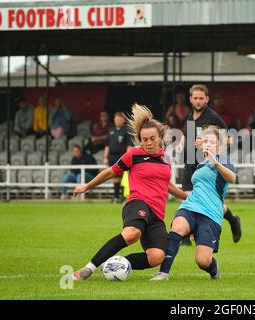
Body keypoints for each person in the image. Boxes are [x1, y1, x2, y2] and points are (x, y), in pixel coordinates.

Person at [72, 104, 187, 281]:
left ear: (160, 138)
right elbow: (110, 171)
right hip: (137, 203)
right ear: (140, 140)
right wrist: (86, 186)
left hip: (157, 214)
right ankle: (88, 268)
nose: (148, 143)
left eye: (152, 139)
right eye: (144, 139)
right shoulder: (133, 155)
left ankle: (113, 263)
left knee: (157, 257)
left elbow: (168, 185)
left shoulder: (165, 159)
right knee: (132, 233)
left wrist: (188, 196)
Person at [150, 128, 236, 281]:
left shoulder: (223, 160)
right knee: (176, 230)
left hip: (210, 214)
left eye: (212, 142)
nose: (208, 144)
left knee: (202, 261)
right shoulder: (200, 165)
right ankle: (163, 273)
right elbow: (198, 190)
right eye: (205, 141)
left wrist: (215, 162)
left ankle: (214, 269)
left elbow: (232, 178)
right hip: (190, 207)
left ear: (218, 145)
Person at [176, 84, 242, 244]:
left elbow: (228, 138)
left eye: (201, 98)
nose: (198, 101)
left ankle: (233, 220)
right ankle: (186, 232)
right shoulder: (189, 116)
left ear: (207, 99)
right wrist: (180, 143)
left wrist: (208, 143)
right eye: (195, 98)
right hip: (190, 162)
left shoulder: (212, 117)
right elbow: (185, 134)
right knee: (187, 197)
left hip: (208, 165)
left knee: (212, 202)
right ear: (190, 99)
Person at [104, 112, 132, 203]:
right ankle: (115, 196)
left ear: (123, 120)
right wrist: (105, 157)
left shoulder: (127, 131)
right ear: (114, 120)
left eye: (120, 119)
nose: (118, 121)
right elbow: (107, 145)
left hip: (122, 156)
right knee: (114, 177)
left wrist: (127, 157)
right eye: (117, 119)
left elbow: (129, 145)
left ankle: (123, 196)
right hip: (112, 157)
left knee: (123, 177)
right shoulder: (111, 130)